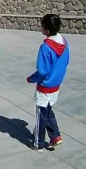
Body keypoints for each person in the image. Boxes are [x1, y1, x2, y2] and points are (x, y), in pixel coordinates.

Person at [27, 14, 69, 152]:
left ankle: (38, 143)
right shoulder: (63, 42)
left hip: (45, 86)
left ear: (47, 30)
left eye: (42, 25)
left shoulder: (45, 47)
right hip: (56, 84)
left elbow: (42, 72)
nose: (41, 27)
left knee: (41, 115)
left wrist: (31, 78)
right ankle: (55, 136)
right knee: (47, 109)